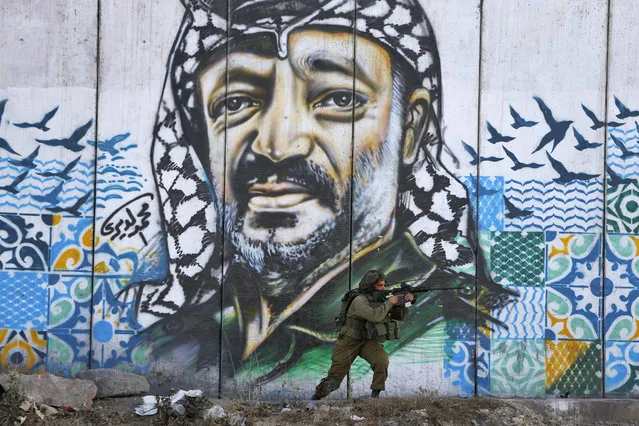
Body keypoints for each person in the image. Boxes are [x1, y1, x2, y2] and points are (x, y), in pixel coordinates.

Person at [127, 0, 517, 394]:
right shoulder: (170, 345)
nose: (276, 146)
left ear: (410, 129)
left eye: (338, 99)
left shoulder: (451, 332)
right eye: (235, 103)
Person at [313, 271, 415, 400]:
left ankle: (374, 397)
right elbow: (374, 316)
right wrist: (390, 302)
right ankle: (316, 398)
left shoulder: (380, 298)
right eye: (380, 285)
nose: (383, 288)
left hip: (368, 339)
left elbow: (399, 316)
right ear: (370, 285)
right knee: (334, 379)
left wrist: (407, 302)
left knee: (381, 362)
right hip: (349, 340)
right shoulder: (359, 300)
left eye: (384, 285)